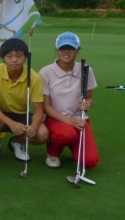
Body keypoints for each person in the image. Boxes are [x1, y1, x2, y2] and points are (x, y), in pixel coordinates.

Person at [0, 38, 48, 162]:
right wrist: (11, 123)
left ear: (25, 57)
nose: (14, 60)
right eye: (9, 56)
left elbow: (39, 109)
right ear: (3, 58)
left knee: (42, 133)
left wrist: (34, 126)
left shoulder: (34, 77)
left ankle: (17, 142)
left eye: (18, 56)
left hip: (22, 114)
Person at [39, 32, 99, 169]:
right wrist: (69, 121)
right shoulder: (45, 72)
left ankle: (74, 143)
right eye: (62, 48)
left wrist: (88, 103)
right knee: (65, 134)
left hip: (79, 120)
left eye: (71, 48)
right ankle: (53, 153)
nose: (66, 51)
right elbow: (46, 106)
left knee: (89, 162)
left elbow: (89, 97)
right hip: (55, 119)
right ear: (57, 50)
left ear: (78, 50)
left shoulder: (86, 70)